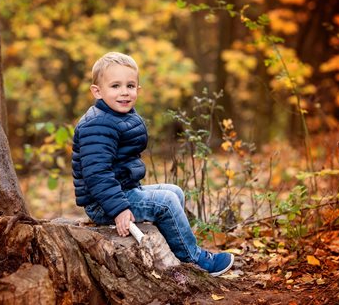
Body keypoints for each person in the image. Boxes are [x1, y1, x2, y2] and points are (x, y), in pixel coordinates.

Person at [72, 52, 234, 276]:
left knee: (174, 191)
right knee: (166, 202)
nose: (124, 92)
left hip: (122, 190)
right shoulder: (97, 124)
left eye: (130, 85)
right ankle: (194, 259)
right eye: (115, 86)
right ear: (97, 91)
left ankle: (175, 248)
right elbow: (97, 174)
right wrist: (118, 209)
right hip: (102, 203)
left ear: (138, 89)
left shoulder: (119, 115)